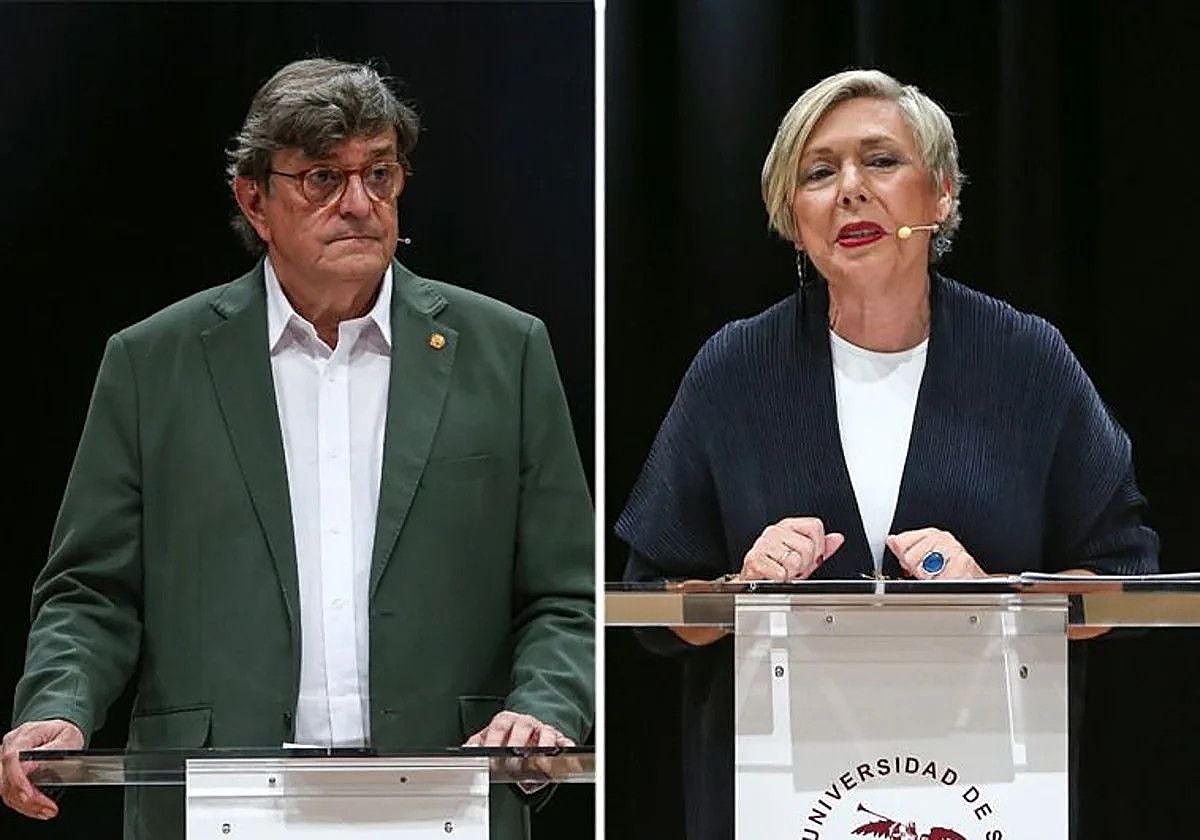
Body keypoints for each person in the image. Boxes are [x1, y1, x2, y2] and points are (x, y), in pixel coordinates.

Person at [1, 58, 593, 840]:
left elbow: (568, 592)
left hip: (440, 790)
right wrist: (58, 705)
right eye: (322, 178)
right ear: (255, 198)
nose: (359, 204)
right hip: (220, 801)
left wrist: (543, 705)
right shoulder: (153, 362)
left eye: (378, 174)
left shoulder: (506, 350)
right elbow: (91, 589)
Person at [615, 69, 1157, 840]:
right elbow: (654, 609)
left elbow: (1125, 582)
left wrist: (1000, 598)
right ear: (792, 218)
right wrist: (743, 587)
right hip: (784, 799)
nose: (850, 190)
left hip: (983, 791)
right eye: (819, 172)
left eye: (880, 161)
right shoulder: (733, 372)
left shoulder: (1028, 361)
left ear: (939, 195)